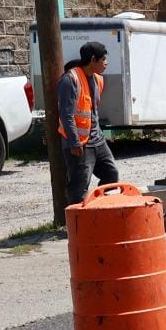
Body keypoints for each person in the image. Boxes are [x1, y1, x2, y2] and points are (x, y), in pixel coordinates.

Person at [58, 41, 119, 207]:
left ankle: (99, 208)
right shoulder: (70, 80)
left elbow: (93, 112)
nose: (106, 63)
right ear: (93, 60)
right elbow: (66, 114)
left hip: (97, 140)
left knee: (111, 174)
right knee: (79, 187)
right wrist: (74, 141)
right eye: (103, 59)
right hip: (80, 144)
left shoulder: (97, 79)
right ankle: (76, 225)